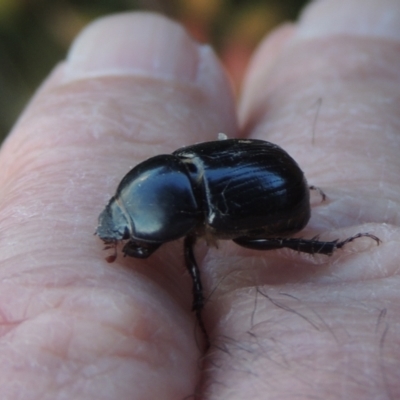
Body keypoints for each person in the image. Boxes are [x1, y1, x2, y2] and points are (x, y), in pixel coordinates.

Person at [0, 0, 398, 398]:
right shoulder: (178, 170)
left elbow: (161, 251)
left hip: (282, 195)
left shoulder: (193, 207)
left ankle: (329, 249)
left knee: (262, 243)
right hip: (269, 172)